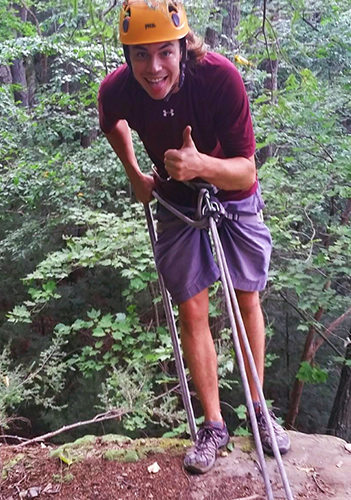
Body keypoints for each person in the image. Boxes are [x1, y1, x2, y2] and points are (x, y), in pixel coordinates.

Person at [98, 0, 290, 474]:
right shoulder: (119, 89)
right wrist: (135, 174)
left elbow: (246, 171)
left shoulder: (220, 78)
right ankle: (213, 425)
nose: (154, 67)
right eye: (140, 55)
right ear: (127, 57)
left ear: (184, 46)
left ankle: (259, 411)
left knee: (246, 299)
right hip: (176, 201)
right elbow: (112, 123)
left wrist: (201, 165)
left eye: (165, 51)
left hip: (232, 191)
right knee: (192, 307)